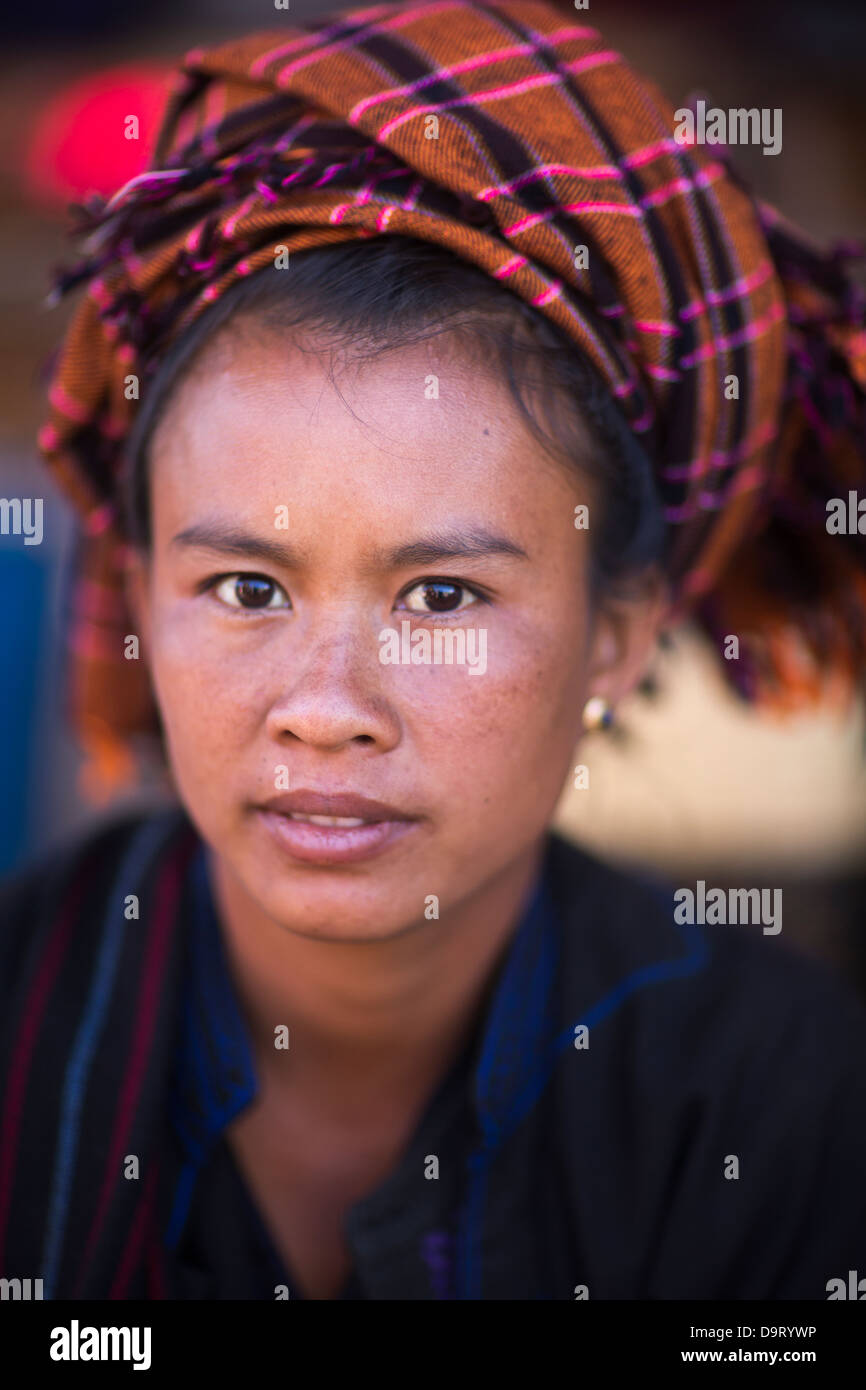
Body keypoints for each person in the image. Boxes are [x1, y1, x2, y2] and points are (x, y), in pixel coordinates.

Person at [2, 0, 866, 1301]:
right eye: (244, 583)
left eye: (444, 596)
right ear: (138, 594)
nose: (324, 707)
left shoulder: (778, 1103)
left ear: (612, 641)